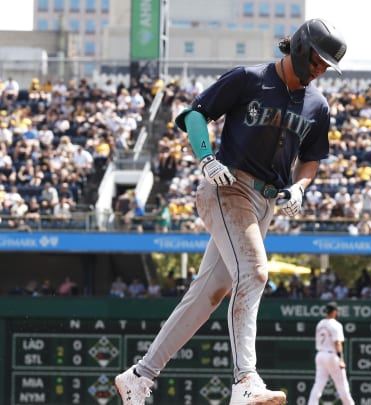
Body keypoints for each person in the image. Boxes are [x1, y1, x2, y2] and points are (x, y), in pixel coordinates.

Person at [115, 18, 347, 405]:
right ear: (303, 49)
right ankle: (245, 380)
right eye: (320, 61)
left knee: (207, 294)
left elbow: (311, 159)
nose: (321, 71)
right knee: (255, 272)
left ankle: (140, 376)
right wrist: (206, 159)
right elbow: (195, 115)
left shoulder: (317, 105)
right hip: (228, 188)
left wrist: (300, 188)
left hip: (266, 202)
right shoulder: (249, 78)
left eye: (327, 65)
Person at [308, 302, 355, 405]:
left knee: (318, 385)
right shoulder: (335, 324)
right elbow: (337, 342)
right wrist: (341, 359)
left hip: (320, 355)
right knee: (342, 386)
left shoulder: (320, 323)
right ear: (334, 312)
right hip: (331, 355)